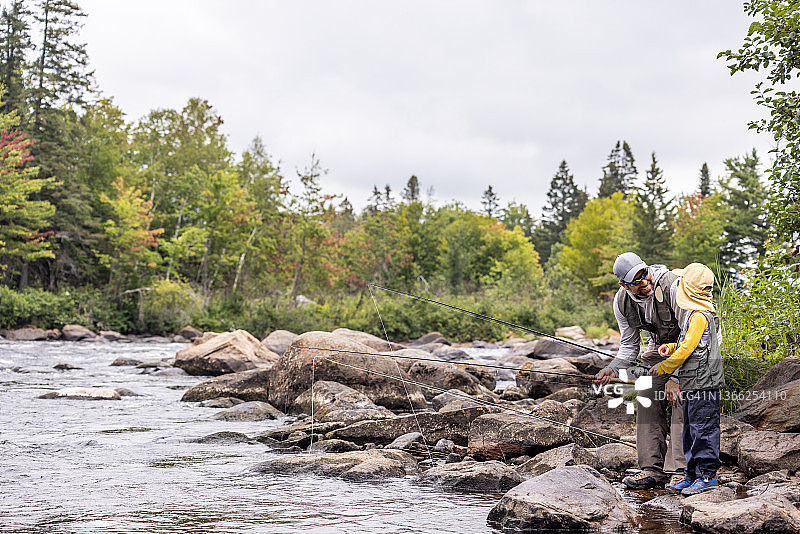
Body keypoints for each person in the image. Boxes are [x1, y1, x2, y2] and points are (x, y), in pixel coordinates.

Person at [595, 252, 687, 489]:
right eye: (636, 281)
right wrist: (612, 368)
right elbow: (629, 346)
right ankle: (652, 469)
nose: (644, 282)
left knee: (678, 395)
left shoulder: (672, 286)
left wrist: (674, 377)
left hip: (693, 347)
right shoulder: (621, 302)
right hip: (661, 349)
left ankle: (679, 470)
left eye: (644, 275)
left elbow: (696, 335)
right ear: (624, 285)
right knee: (646, 392)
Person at [650, 262, 724, 495]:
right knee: (689, 430)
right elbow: (685, 344)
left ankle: (707, 476)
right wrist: (669, 347)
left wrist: (665, 367)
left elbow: (687, 350)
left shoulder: (701, 316)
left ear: (687, 290)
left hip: (704, 384)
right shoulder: (692, 315)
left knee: (704, 429)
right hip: (693, 383)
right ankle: (691, 475)